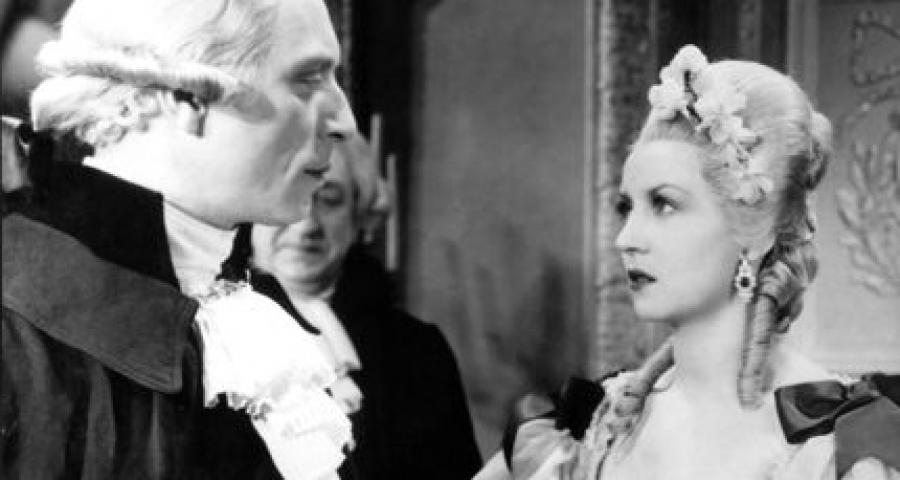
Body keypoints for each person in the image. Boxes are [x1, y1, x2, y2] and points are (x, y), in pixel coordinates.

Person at [476, 45, 900, 479]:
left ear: (755, 233)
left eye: (664, 204)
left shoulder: (839, 447)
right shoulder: (594, 425)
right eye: (627, 207)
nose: (626, 239)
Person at [1, 0, 359, 478]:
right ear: (185, 99)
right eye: (307, 80)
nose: (344, 121)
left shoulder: (253, 314)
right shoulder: (16, 331)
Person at [251, 133, 483, 479]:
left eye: (329, 200)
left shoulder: (417, 348)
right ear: (250, 211)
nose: (307, 224)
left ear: (358, 216)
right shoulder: (207, 337)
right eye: (289, 196)